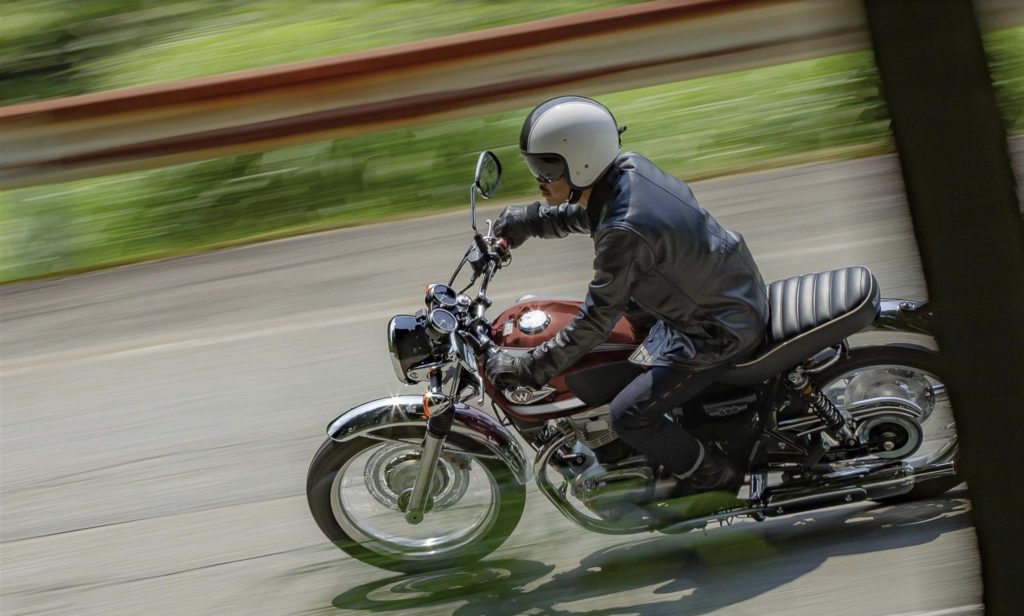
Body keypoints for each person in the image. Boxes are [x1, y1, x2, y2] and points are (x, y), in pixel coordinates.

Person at [485, 95, 769, 496]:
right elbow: (588, 212)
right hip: (720, 292)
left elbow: (596, 318)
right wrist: (527, 221)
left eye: (547, 169)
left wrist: (531, 368)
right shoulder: (628, 171)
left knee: (628, 414)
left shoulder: (624, 230)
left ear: (581, 161)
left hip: (715, 330)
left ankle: (712, 477)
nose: (538, 179)